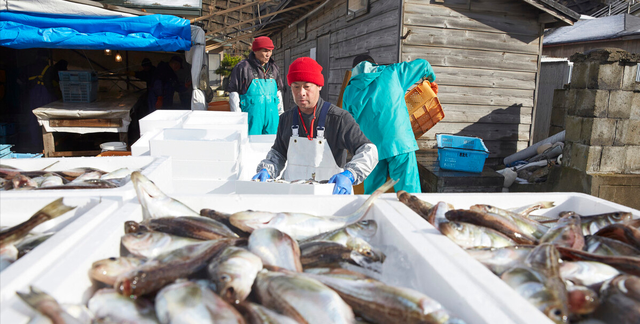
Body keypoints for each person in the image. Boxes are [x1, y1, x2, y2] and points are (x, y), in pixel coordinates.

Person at [252, 57, 378, 195]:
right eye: (296, 86)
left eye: (307, 86)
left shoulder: (339, 119)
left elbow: (369, 150)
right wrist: (267, 169)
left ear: (319, 86)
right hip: (292, 196)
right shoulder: (285, 119)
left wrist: (350, 174)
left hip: (330, 196)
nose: (301, 93)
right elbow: (278, 154)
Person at [342, 54, 437, 194]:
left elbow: (348, 123)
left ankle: (372, 215)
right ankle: (409, 215)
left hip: (371, 148)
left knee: (372, 194)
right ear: (375, 64)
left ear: (354, 70)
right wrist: (430, 81)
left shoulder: (349, 91)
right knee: (409, 192)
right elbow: (424, 65)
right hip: (399, 142)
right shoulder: (392, 72)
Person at [226, 36, 284, 135]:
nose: (268, 54)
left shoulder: (274, 68)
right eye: (265, 51)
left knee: (272, 146)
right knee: (250, 146)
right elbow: (234, 93)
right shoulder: (242, 67)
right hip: (251, 119)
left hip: (272, 119)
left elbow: (278, 93)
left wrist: (281, 114)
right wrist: (237, 117)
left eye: (270, 51)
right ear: (255, 51)